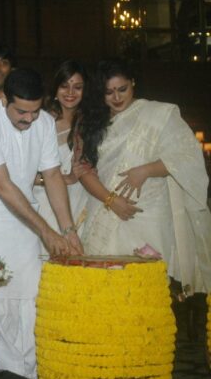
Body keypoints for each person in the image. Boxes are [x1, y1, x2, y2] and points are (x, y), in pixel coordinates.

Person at [0, 68, 83, 379]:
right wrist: (47, 232)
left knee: (29, 300)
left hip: (22, 222)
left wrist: (68, 230)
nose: (28, 119)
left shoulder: (45, 123)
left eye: (35, 111)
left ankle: (27, 377)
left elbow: (52, 175)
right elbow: (3, 185)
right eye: (21, 111)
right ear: (4, 101)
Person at [76, 59, 211, 295]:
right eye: (109, 92)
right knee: (105, 287)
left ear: (133, 84)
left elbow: (187, 157)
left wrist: (145, 170)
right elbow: (83, 170)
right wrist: (111, 201)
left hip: (150, 213)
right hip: (106, 208)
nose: (117, 98)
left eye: (122, 89)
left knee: (148, 289)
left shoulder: (159, 114)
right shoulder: (94, 122)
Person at [31, 60, 89, 257]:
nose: (70, 92)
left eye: (77, 87)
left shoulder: (89, 121)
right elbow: (25, 174)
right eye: (65, 86)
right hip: (46, 200)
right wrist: (67, 179)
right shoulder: (40, 121)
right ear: (55, 89)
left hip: (82, 200)